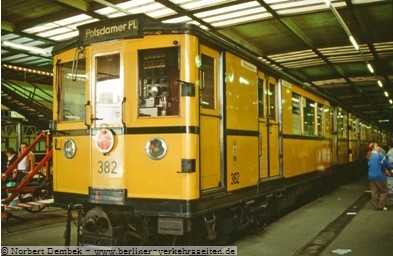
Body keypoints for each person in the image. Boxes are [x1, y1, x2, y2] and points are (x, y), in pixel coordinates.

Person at [367, 142, 393, 211]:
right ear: (373, 148)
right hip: (380, 176)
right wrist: (389, 169)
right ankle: (381, 205)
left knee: (374, 191)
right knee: (384, 191)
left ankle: (376, 205)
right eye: (377, 146)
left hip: (371, 176)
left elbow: (369, 165)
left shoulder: (369, 156)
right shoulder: (380, 155)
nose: (378, 147)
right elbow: (388, 165)